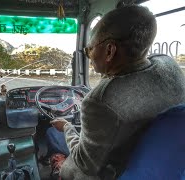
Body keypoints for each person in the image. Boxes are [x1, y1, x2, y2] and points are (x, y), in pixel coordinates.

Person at [48, 5, 185, 180]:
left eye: (89, 49)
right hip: (159, 162)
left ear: (109, 51)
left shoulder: (99, 102)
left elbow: (84, 166)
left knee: (52, 134)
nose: (88, 54)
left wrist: (67, 129)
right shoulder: (169, 66)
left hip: (115, 170)